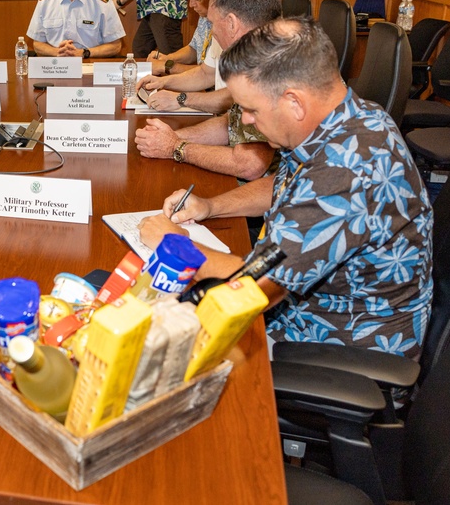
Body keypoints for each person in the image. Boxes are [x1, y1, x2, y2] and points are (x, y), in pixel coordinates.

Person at [140, 18, 434, 359]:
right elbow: (288, 187)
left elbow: (252, 286)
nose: (246, 120)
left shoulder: (345, 170)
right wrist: (210, 206)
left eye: (251, 109)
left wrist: (172, 242)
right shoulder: (350, 118)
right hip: (305, 312)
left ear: (294, 102)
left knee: (152, 351)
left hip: (327, 348)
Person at [135, 0, 279, 181]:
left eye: (212, 23)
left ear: (231, 23)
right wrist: (170, 137)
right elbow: (231, 124)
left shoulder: (266, 67)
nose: (211, 32)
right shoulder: (256, 52)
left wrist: (176, 147)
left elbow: (250, 164)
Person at [136, 0, 246, 114]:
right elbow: (206, 74)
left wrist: (180, 99)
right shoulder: (219, 15)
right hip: (225, 121)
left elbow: (237, 96)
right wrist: (164, 82)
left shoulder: (252, 15)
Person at [148, 0, 208, 76]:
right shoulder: (204, 16)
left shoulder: (228, 23)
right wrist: (167, 58)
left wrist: (166, 66)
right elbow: (194, 49)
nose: (191, 4)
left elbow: (210, 74)